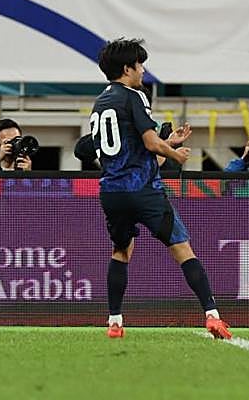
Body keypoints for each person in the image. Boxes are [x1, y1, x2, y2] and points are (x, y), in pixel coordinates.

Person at [89, 38, 231, 339]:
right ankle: (212, 315)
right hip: (143, 189)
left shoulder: (100, 102)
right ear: (127, 69)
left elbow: (125, 148)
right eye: (139, 65)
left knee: (121, 251)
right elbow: (150, 143)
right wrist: (175, 154)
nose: (143, 70)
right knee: (182, 248)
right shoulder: (134, 96)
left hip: (111, 191)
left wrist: (168, 142)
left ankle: (114, 322)